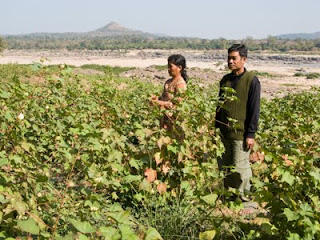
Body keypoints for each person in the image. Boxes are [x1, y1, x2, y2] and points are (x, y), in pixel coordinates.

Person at [215, 44, 261, 209]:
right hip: (223, 132)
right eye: (229, 58)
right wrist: (215, 127)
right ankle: (229, 197)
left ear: (244, 59)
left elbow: (254, 109)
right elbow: (219, 107)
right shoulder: (225, 80)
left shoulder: (251, 80)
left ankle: (246, 202)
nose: (230, 61)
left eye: (234, 58)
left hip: (240, 133)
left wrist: (251, 134)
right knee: (226, 167)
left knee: (241, 168)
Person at [150, 54, 188, 131]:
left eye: (170, 66)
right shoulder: (168, 82)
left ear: (179, 68)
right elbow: (164, 98)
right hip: (164, 119)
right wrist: (156, 98)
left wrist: (158, 102)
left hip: (174, 121)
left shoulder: (180, 84)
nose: (168, 69)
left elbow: (177, 105)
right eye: (168, 66)